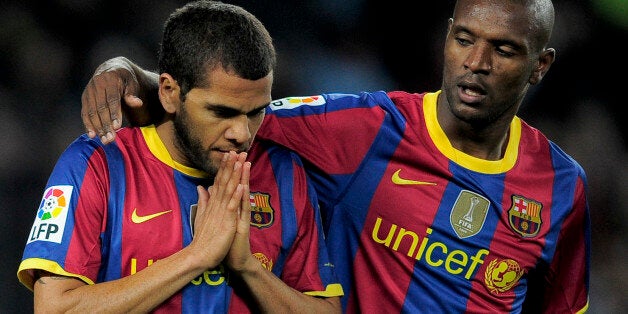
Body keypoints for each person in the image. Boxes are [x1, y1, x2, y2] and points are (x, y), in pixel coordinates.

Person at [80, 0, 591, 312]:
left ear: (540, 65)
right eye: (465, 40)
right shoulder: (364, 129)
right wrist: (130, 73)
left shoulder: (563, 187)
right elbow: (220, 107)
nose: (476, 63)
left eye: (503, 50)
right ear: (447, 39)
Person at [17, 1, 343, 313]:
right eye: (221, 112)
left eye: (256, 112)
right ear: (170, 93)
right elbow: (56, 308)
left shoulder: (283, 172)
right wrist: (197, 256)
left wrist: (247, 267)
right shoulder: (97, 165)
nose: (242, 133)